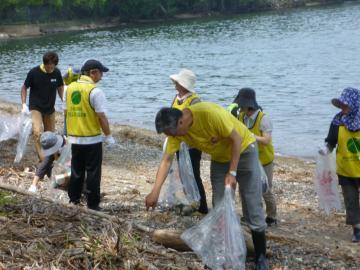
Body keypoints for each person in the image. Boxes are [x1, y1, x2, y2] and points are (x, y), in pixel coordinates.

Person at [146, 102, 269, 269]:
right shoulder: (176, 133)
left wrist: (232, 173)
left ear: (180, 122)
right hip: (220, 159)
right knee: (219, 206)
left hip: (244, 150)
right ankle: (224, 254)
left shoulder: (208, 114)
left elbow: (237, 139)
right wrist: (155, 191)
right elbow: (166, 160)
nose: (171, 136)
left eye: (171, 132)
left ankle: (261, 257)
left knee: (252, 203)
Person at [64, 59, 115, 211]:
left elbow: (66, 112)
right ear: (93, 72)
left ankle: (74, 200)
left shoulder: (70, 88)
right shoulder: (95, 91)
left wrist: (66, 133)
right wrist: (109, 135)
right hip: (91, 139)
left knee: (76, 170)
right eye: (100, 73)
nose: (102, 77)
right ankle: (93, 205)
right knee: (93, 173)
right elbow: (101, 117)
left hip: (74, 138)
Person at [228, 88, 277, 226]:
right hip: (248, 159)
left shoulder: (263, 118)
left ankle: (272, 216)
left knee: (265, 189)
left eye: (241, 105)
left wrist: (251, 137)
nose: (240, 107)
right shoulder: (241, 117)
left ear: (248, 104)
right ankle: (247, 215)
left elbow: (267, 140)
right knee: (245, 188)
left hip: (264, 160)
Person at [320, 87, 360, 242]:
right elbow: (330, 142)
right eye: (341, 105)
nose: (343, 108)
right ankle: (357, 229)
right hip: (345, 169)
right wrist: (325, 149)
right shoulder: (337, 121)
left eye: (346, 105)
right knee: (350, 200)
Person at [168, 69, 208, 214]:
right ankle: (191, 201)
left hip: (192, 144)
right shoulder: (176, 98)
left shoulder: (195, 100)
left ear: (183, 84)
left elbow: (197, 122)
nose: (175, 84)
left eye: (177, 82)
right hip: (178, 142)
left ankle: (202, 206)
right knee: (184, 173)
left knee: (194, 174)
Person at [20, 51, 64, 162]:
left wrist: (63, 99)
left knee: (50, 135)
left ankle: (52, 156)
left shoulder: (57, 73)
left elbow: (60, 86)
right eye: (49, 66)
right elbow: (24, 87)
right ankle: (42, 158)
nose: (51, 68)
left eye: (53, 66)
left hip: (50, 108)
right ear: (44, 63)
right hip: (36, 107)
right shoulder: (34, 72)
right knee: (37, 132)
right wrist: (24, 104)